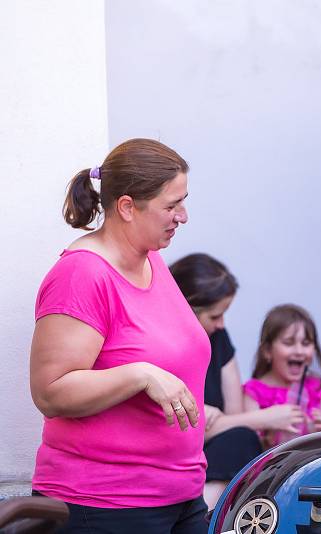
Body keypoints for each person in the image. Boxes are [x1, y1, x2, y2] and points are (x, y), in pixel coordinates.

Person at [29, 139, 209, 533]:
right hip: (106, 503)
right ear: (127, 207)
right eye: (171, 205)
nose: (183, 216)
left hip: (180, 494)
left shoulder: (152, 260)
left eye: (184, 201)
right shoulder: (82, 274)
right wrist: (139, 374)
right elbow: (50, 393)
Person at [170, 253, 307, 509]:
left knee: (241, 440)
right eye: (215, 316)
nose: (222, 324)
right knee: (240, 441)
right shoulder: (162, 347)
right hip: (173, 456)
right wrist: (266, 418)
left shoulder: (218, 339)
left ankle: (203, 519)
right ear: (187, 309)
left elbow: (232, 419)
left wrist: (215, 420)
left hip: (212, 456)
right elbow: (185, 431)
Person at [243, 304, 321, 447]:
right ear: (267, 351)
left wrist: (318, 434)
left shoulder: (320, 389)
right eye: (288, 343)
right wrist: (271, 438)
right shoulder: (253, 393)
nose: (299, 351)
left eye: (306, 343)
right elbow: (249, 452)